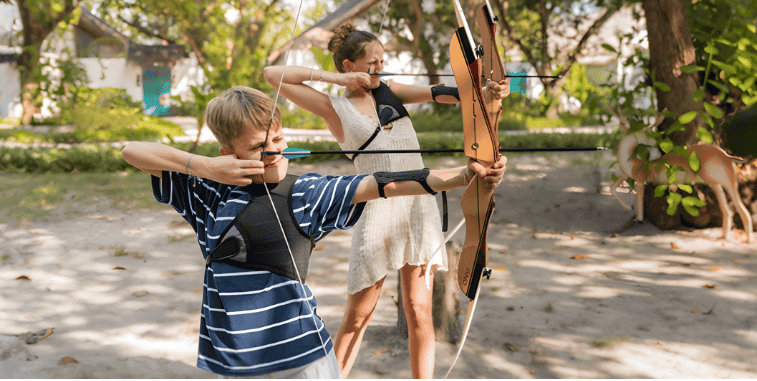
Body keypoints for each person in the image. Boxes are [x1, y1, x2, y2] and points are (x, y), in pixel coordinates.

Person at [121, 85, 507, 379]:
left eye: (278, 138)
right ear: (228, 152)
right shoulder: (206, 194)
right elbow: (132, 150)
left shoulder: (305, 193)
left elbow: (383, 183)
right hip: (229, 360)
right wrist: (204, 168)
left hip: (304, 359)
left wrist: (462, 176)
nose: (276, 151)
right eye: (259, 146)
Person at [262, 24, 509, 378]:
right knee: (358, 316)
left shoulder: (391, 91)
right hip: (375, 207)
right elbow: (273, 75)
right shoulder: (335, 108)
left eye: (383, 59)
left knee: (419, 310)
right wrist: (334, 80)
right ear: (349, 64)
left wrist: (488, 90)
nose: (380, 66)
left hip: (418, 207)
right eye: (372, 61)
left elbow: (452, 94)